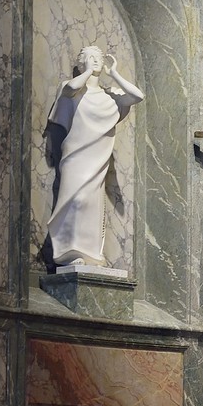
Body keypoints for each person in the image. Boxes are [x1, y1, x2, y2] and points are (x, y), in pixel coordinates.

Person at [47, 45, 144, 268]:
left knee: (92, 206)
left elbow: (138, 96)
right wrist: (87, 72)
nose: (96, 60)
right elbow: (72, 87)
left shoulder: (110, 97)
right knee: (75, 201)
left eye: (99, 58)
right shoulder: (73, 89)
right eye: (90, 57)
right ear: (81, 63)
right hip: (76, 155)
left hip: (98, 159)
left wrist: (115, 74)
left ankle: (90, 253)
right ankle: (67, 251)